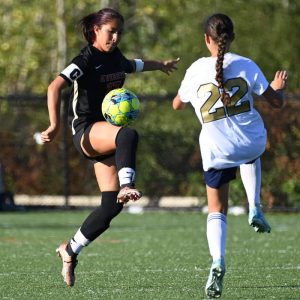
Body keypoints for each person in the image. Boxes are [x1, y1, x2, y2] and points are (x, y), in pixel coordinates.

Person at [41, 7, 179, 287]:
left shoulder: (116, 57)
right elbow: (54, 87)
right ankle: (128, 184)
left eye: (119, 32)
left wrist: (160, 64)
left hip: (106, 134)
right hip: (86, 132)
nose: (115, 37)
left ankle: (70, 250)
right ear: (95, 31)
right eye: (110, 31)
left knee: (110, 208)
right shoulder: (85, 58)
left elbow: (135, 65)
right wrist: (54, 125)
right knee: (127, 136)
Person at [172, 13, 287, 298]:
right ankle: (254, 205)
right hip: (252, 143)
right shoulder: (247, 65)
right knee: (251, 150)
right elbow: (276, 102)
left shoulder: (197, 68)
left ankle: (218, 261)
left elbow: (177, 104)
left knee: (217, 209)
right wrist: (277, 88)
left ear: (206, 39)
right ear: (232, 37)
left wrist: (187, 97)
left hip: (217, 149)